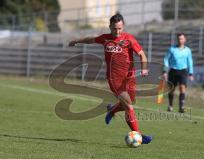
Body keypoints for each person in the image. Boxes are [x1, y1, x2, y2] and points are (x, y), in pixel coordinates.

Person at [69, 13, 152, 144]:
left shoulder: (129, 39)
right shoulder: (105, 38)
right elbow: (91, 39)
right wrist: (77, 41)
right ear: (110, 27)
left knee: (129, 103)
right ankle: (139, 136)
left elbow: (142, 54)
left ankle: (111, 110)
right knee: (129, 106)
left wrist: (145, 68)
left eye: (119, 28)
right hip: (115, 80)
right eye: (114, 28)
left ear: (123, 27)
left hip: (129, 78)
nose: (117, 31)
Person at [163, 33, 194, 113]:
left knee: (182, 87)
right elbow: (166, 59)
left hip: (183, 71)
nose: (180, 40)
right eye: (179, 39)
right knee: (171, 89)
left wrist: (191, 73)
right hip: (173, 70)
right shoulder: (172, 49)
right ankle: (170, 105)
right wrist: (165, 71)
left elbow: (190, 62)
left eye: (182, 39)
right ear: (177, 40)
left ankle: (181, 106)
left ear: (184, 39)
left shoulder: (187, 50)